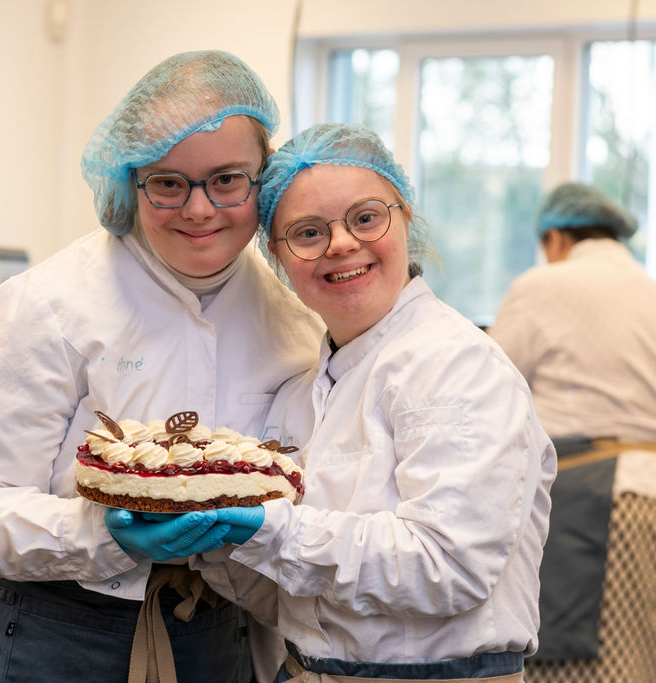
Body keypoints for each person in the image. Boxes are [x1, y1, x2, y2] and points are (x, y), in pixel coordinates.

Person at [0, 50, 323, 683]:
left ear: (266, 177)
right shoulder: (48, 305)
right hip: (32, 633)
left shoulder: (295, 317)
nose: (199, 209)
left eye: (227, 179)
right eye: (168, 182)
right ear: (130, 181)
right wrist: (103, 535)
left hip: (209, 631)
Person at [121, 122, 555, 681]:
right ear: (278, 259)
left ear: (406, 219)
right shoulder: (305, 392)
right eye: (306, 233)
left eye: (366, 218)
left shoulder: (455, 365)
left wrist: (268, 529)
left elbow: (449, 567)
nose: (342, 244)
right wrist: (209, 542)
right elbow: (293, 597)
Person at [486, 181, 656, 682]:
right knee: (654, 664)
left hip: (582, 500)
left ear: (555, 238)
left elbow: (494, 401)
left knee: (572, 664)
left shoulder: (538, 288)